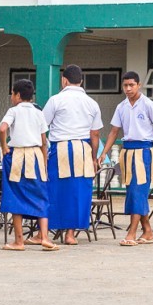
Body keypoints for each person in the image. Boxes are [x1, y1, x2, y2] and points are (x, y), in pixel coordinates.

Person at [99, 71, 153, 247]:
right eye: (125, 85)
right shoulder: (121, 106)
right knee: (133, 191)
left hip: (144, 150)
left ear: (139, 85)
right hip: (127, 151)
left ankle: (132, 232)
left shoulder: (148, 104)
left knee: (138, 190)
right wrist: (103, 153)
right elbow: (114, 131)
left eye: (132, 85)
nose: (128, 89)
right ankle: (147, 231)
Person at [42, 65, 102, 246]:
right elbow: (95, 134)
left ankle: (46, 232)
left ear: (64, 80)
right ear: (81, 81)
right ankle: (70, 234)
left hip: (60, 148)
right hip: (83, 149)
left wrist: (43, 151)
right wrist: (93, 157)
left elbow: (42, 128)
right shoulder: (92, 103)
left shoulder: (56, 100)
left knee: (54, 190)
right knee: (79, 192)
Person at [0, 79, 57, 252]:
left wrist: (4, 146)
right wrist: (44, 161)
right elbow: (43, 141)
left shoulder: (14, 110)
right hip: (36, 156)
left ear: (16, 95)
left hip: (17, 155)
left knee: (15, 196)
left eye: (12, 94)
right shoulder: (38, 112)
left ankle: (19, 241)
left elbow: (2, 129)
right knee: (41, 196)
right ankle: (44, 237)